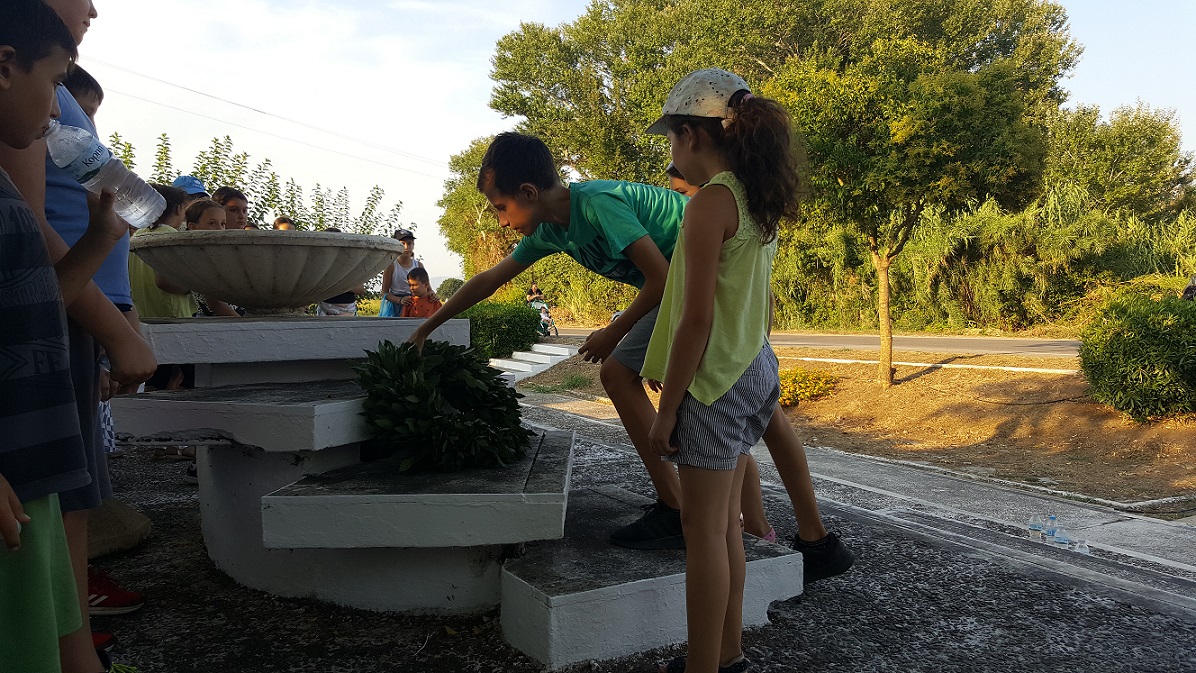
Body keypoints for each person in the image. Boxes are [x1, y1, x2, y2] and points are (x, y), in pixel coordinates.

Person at [407, 133, 853, 581]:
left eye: (501, 208)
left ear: (529, 192)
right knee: (758, 410)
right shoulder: (550, 229)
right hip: (696, 287)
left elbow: (660, 278)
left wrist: (613, 332)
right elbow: (489, 279)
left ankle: (679, 507)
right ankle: (805, 538)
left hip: (712, 282)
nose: (502, 222)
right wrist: (427, 327)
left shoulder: (597, 204)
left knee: (620, 374)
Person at [0, 1, 159, 669]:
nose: (94, 7)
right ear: (7, 67)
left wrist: (99, 243)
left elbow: (32, 299)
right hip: (20, 413)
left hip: (34, 402)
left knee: (53, 525)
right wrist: (118, 330)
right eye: (56, 81)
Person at [638, 66, 801, 673]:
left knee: (702, 532)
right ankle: (727, 652)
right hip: (753, 368)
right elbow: (758, 302)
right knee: (725, 526)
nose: (671, 151)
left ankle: (702, 666)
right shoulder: (755, 198)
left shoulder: (709, 204)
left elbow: (695, 319)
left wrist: (667, 411)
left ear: (691, 134)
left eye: (671, 137)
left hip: (713, 384)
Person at [130, 184, 198, 389]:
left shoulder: (137, 236)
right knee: (185, 383)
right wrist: (197, 286)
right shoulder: (172, 236)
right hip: (174, 319)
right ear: (178, 208)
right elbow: (165, 281)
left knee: (155, 383)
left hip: (144, 318)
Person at [183, 199, 242, 318]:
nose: (220, 229)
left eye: (223, 224)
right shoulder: (200, 257)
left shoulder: (219, 255)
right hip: (214, 321)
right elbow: (215, 304)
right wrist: (246, 324)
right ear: (193, 227)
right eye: (212, 223)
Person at [316, 227, 365, 316]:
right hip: (326, 311)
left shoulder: (349, 264)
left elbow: (360, 289)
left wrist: (336, 284)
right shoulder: (319, 265)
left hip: (349, 311)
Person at [379, 228, 422, 317]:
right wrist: (400, 300)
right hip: (394, 308)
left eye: (409, 243)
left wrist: (432, 294)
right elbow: (384, 292)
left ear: (413, 245)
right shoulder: (391, 266)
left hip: (414, 306)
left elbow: (427, 288)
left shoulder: (418, 265)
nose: (406, 247)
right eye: (403, 244)